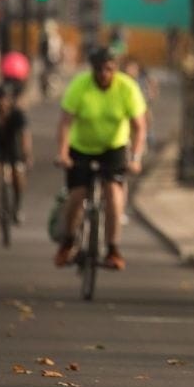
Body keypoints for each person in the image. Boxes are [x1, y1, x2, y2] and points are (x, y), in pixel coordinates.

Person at [53, 47, 147, 271]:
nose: (104, 73)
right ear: (92, 69)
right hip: (82, 147)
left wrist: (135, 157)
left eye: (109, 69)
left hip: (113, 148)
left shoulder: (127, 88)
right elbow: (65, 123)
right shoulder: (80, 85)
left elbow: (139, 127)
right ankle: (67, 241)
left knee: (114, 193)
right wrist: (63, 153)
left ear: (115, 69)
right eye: (99, 69)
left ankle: (113, 248)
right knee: (77, 194)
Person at [0, 83, 32, 223]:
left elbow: (25, 135)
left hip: (13, 148)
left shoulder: (18, 114)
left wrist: (27, 153)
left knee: (18, 174)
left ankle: (17, 207)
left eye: (5, 98)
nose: (2, 102)